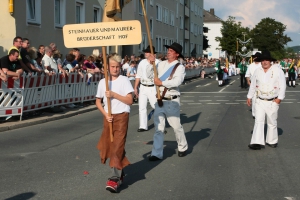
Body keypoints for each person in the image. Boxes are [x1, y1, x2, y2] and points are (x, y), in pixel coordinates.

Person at [95, 53, 134, 193]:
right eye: (112, 66)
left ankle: (114, 178)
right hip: (109, 117)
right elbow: (98, 101)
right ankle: (120, 172)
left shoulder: (124, 80)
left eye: (117, 66)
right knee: (110, 145)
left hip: (122, 116)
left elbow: (130, 100)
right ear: (107, 67)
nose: (115, 69)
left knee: (118, 145)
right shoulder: (103, 82)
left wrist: (114, 95)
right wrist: (105, 114)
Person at [148, 42, 188, 161]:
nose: (168, 52)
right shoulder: (161, 64)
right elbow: (152, 77)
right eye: (168, 50)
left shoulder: (179, 67)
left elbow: (177, 82)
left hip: (171, 101)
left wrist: (162, 83)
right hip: (160, 100)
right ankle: (156, 153)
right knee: (158, 128)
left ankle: (182, 146)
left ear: (177, 54)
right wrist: (151, 64)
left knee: (176, 126)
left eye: (171, 50)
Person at [247, 50, 286, 150]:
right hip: (260, 100)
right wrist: (249, 96)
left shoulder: (278, 70)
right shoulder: (257, 71)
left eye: (267, 60)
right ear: (260, 61)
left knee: (272, 121)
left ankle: (272, 140)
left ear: (270, 61)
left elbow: (282, 85)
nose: (265, 62)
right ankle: (256, 142)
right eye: (263, 60)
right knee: (258, 121)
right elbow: (253, 85)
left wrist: (279, 99)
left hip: (272, 100)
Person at [134, 45, 160, 132]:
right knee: (142, 107)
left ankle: (159, 123)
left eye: (147, 52)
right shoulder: (142, 62)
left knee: (155, 106)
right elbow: (138, 75)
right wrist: (135, 87)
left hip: (152, 87)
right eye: (145, 52)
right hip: (143, 86)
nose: (145, 53)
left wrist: (152, 63)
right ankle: (143, 126)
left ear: (152, 53)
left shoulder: (158, 62)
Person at [245, 52, 262, 119]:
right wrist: (248, 82)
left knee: (261, 99)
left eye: (256, 57)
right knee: (254, 99)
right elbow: (247, 75)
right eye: (254, 57)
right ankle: (254, 114)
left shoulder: (262, 64)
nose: (255, 58)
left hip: (261, 84)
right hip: (253, 84)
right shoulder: (251, 65)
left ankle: (261, 112)